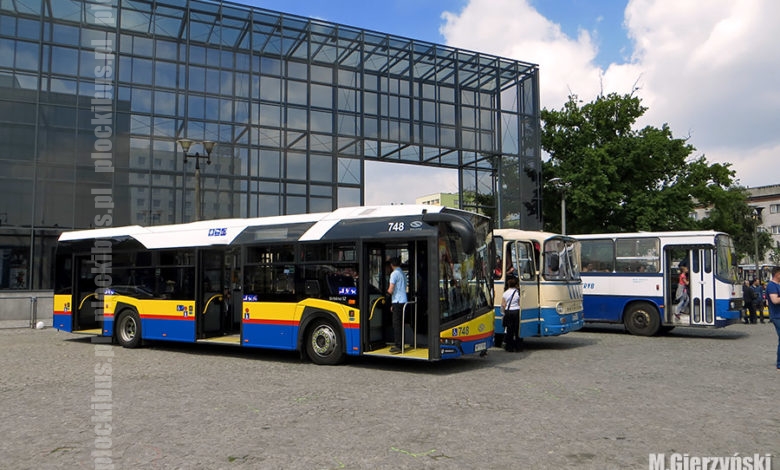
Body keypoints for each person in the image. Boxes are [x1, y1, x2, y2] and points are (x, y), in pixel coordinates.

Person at [386, 257, 407, 354]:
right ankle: (401, 343)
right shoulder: (402, 273)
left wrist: (385, 296)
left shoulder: (394, 274)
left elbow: (391, 289)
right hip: (403, 301)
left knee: (396, 324)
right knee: (401, 324)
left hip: (397, 301)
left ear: (391, 265)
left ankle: (398, 345)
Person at [501, 276, 522, 352]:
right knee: (517, 330)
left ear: (508, 285)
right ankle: (518, 347)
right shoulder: (517, 293)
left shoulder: (505, 293)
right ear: (515, 285)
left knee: (509, 330)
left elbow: (503, 304)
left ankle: (509, 347)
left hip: (508, 312)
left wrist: (504, 313)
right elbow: (520, 303)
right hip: (516, 311)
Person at [765, 266, 780, 371]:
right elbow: (774, 300)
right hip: (777, 316)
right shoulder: (771, 286)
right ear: (777, 274)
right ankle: (779, 364)